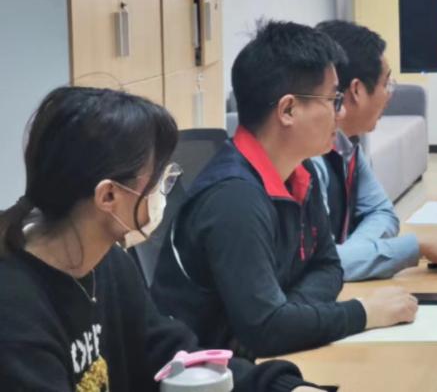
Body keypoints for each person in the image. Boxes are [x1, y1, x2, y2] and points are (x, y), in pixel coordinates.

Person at [0, 86, 326, 391]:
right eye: (159, 178)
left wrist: (282, 387)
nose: (163, 190)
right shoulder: (16, 311)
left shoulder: (109, 263)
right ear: (108, 196)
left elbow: (171, 356)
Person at [151, 21, 417, 358]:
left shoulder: (302, 173)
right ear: (288, 110)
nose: (340, 113)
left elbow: (328, 267)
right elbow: (266, 330)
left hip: (267, 357)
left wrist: (291, 314)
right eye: (332, 99)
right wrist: (363, 313)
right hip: (212, 370)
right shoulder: (234, 200)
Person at [311, 20, 437, 280]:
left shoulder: (347, 144)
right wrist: (416, 247)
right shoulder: (307, 158)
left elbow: (381, 212)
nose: (389, 94)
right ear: (356, 90)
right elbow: (322, 264)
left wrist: (353, 254)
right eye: (386, 83)